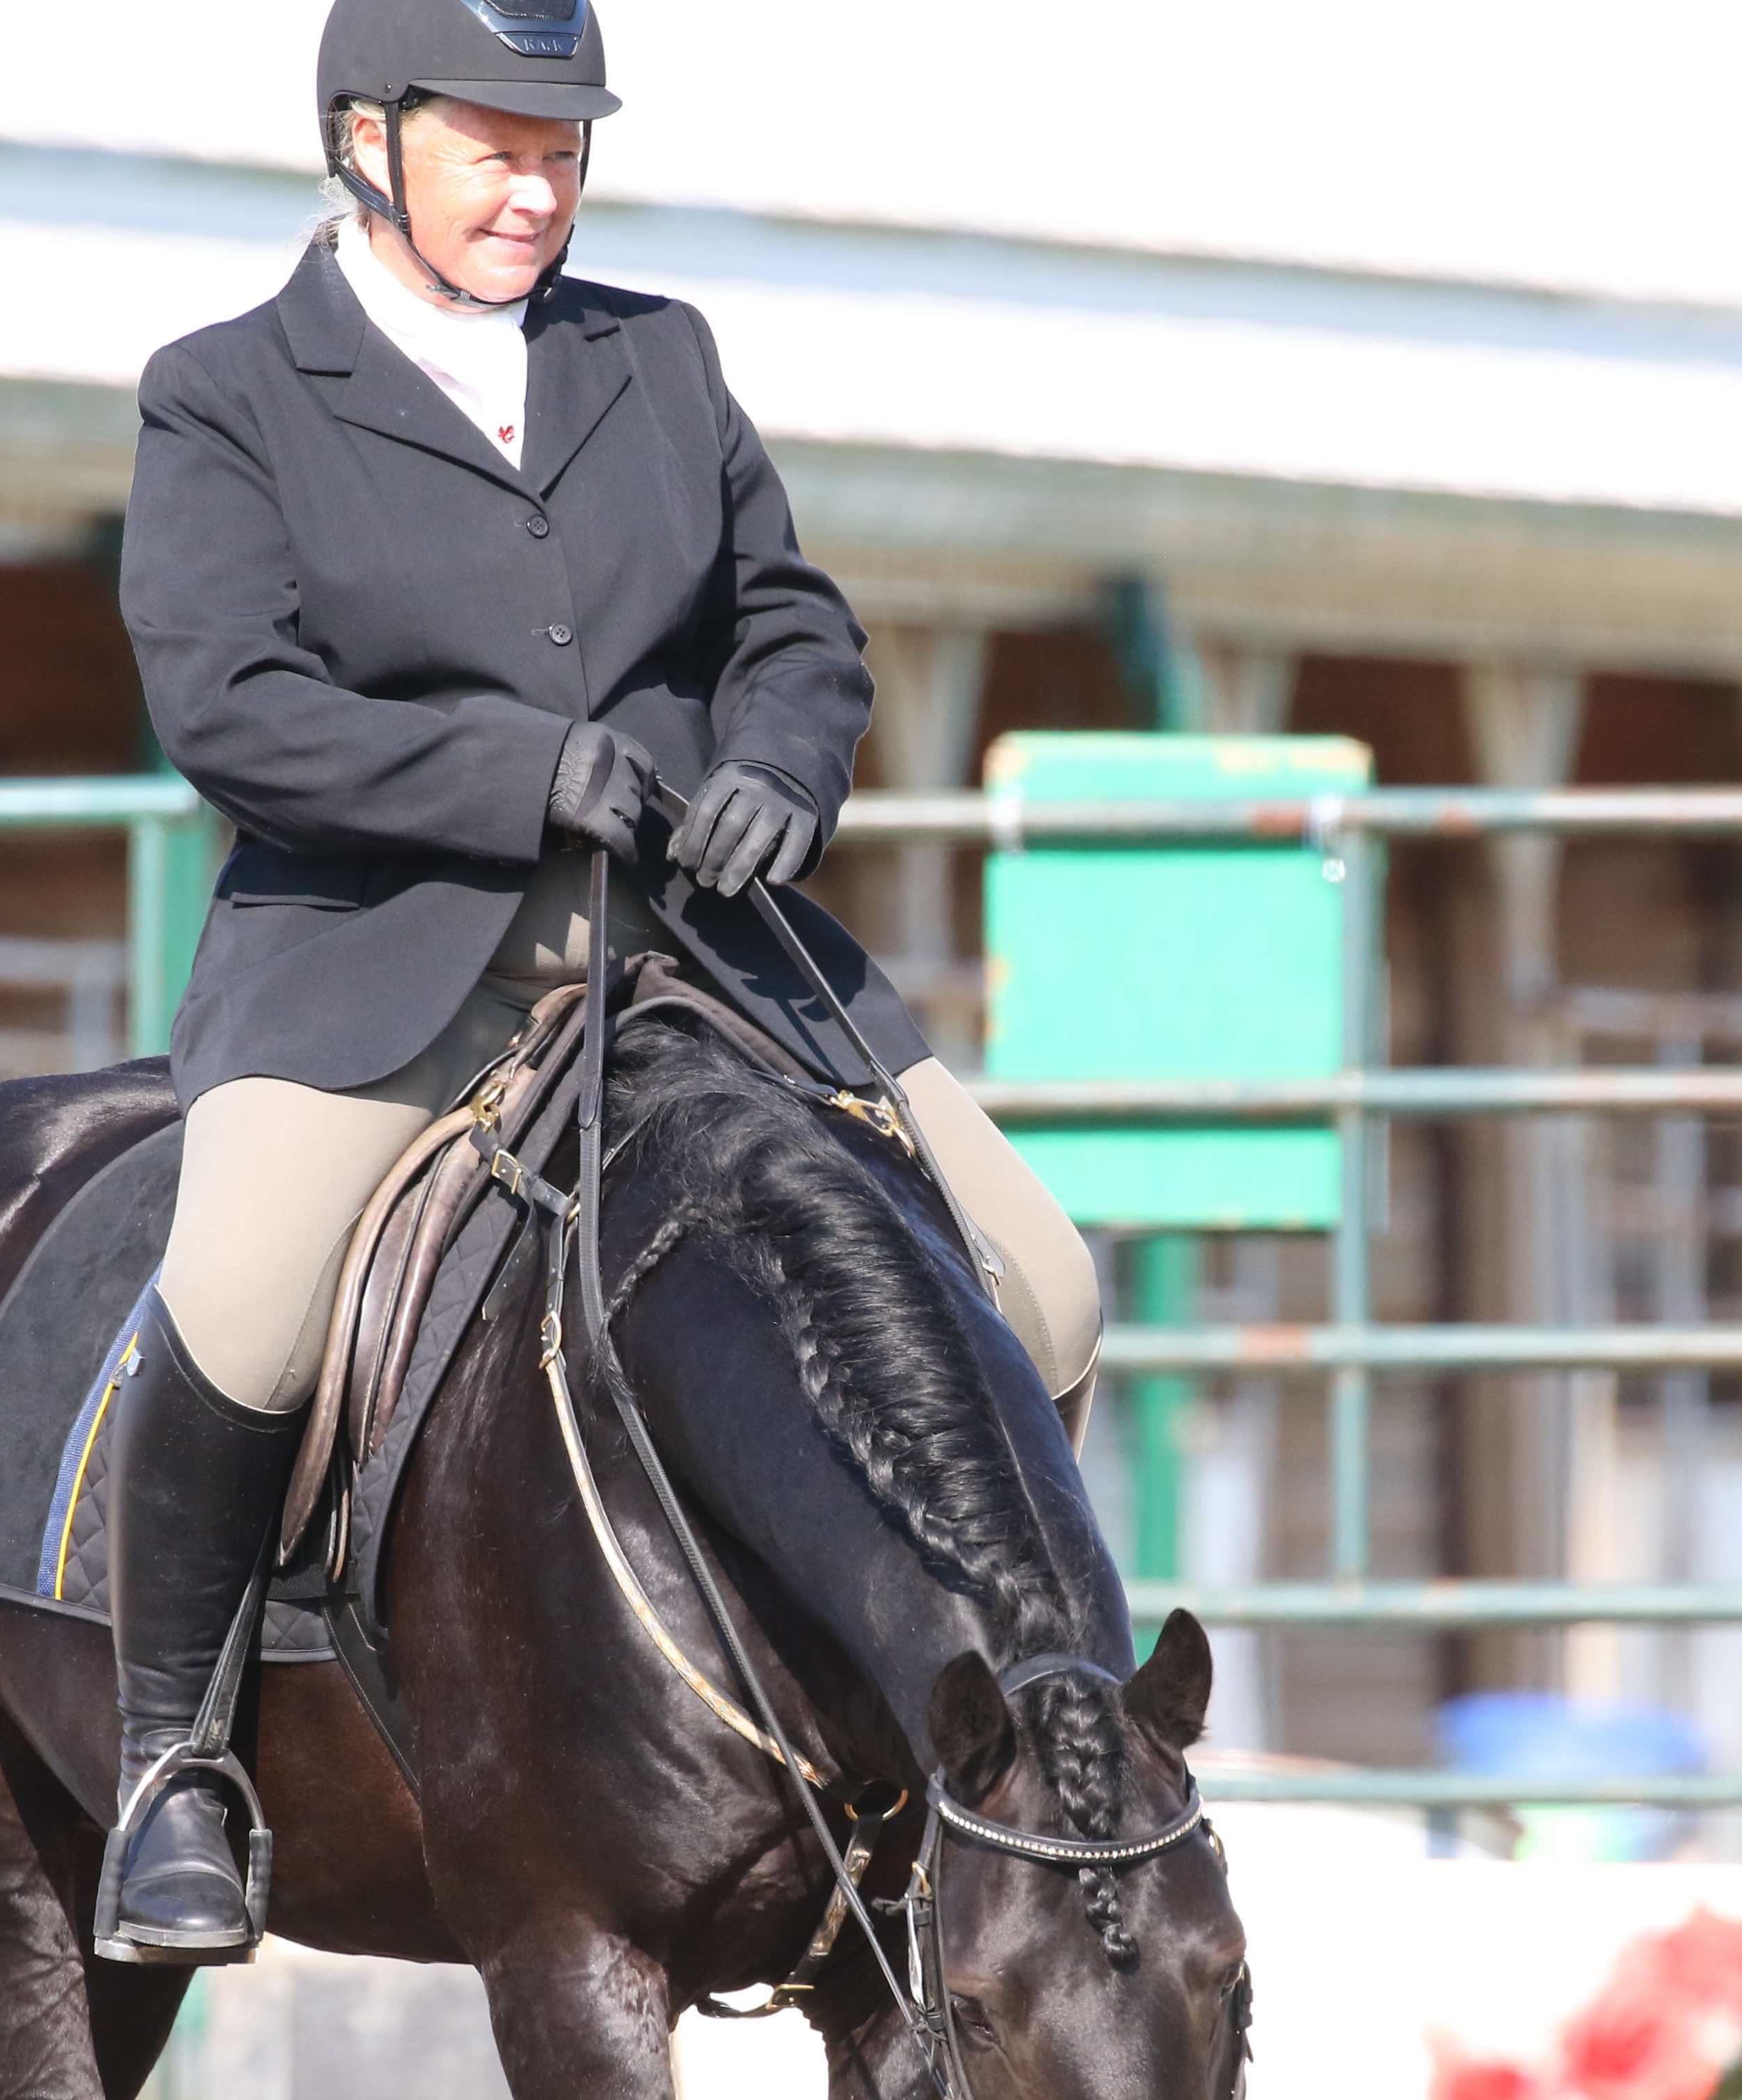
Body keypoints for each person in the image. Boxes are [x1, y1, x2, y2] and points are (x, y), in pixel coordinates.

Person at [101, 0, 1104, 1958]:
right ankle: (171, 1765)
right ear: (366, 142)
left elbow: (791, 625)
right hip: (390, 965)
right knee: (238, 1305)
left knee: (1042, 1276)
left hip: (700, 950)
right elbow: (231, 709)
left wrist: (778, 777)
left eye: (563, 149)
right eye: (492, 146)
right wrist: (513, 774)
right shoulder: (228, 392)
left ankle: (1018, 1748)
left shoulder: (656, 354)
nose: (536, 186)